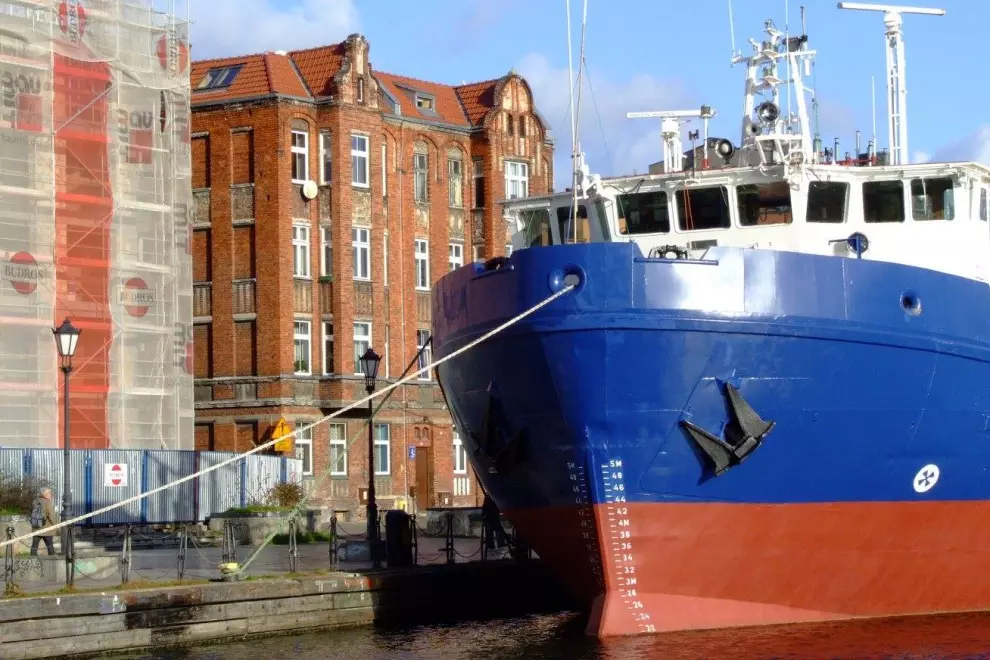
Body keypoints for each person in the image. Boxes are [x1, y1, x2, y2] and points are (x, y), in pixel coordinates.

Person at [29, 487, 57, 556]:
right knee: (50, 546)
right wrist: (56, 525)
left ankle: (33, 561)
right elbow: (51, 516)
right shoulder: (47, 502)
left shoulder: (35, 501)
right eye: (50, 493)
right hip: (46, 529)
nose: (51, 495)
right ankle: (52, 561)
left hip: (36, 527)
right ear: (46, 494)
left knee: (34, 546)